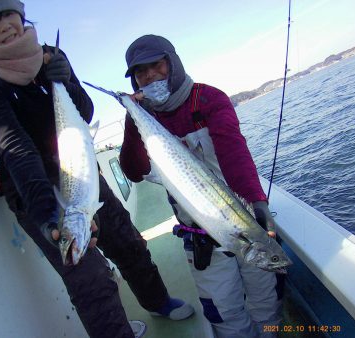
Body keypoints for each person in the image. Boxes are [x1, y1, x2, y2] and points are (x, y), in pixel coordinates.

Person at [0, 2, 194, 337]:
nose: (5, 24)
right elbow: (16, 148)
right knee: (86, 275)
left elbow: (84, 110)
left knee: (126, 239)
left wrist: (65, 81)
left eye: (8, 13)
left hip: (79, 167)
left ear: (21, 16)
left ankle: (157, 300)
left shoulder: (52, 55)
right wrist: (45, 216)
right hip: (33, 185)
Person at [119, 34, 284, 338]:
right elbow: (134, 170)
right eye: (140, 72)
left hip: (242, 218)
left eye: (156, 65)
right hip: (200, 238)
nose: (149, 75)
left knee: (265, 300)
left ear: (173, 61)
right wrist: (132, 118)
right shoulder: (143, 116)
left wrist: (258, 202)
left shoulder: (207, 98)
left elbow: (234, 153)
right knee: (224, 313)